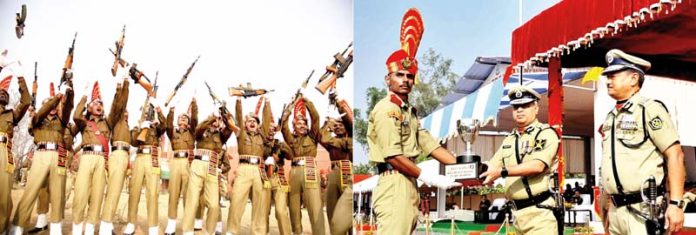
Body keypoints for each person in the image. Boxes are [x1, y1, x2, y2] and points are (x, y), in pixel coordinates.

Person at [367, 8, 459, 234]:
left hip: (408, 183)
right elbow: (393, 155)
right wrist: (427, 176)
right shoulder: (387, 109)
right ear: (388, 79)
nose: (406, 80)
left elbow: (431, 146)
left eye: (410, 76)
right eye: (400, 75)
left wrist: (469, 168)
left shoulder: (408, 112)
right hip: (394, 180)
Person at [598, 49, 685, 234]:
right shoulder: (610, 117)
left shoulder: (649, 110)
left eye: (613, 76)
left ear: (634, 78)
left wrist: (676, 204)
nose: (607, 81)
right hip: (615, 211)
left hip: (643, 210)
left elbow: (675, 155)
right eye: (607, 76)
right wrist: (605, 205)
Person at [479, 86, 561, 234]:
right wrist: (468, 171)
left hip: (540, 213)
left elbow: (537, 165)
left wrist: (502, 172)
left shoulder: (545, 133)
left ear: (536, 108)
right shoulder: (509, 140)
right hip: (517, 215)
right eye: (516, 106)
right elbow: (491, 166)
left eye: (525, 105)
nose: (520, 110)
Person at [11, 80, 72, 235]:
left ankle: (56, 227)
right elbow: (44, 110)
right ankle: (18, 225)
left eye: (54, 106)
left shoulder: (62, 121)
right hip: (41, 154)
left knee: (58, 194)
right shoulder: (37, 119)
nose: (52, 107)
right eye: (48, 105)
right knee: (31, 191)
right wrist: (56, 97)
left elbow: (68, 108)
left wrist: (69, 91)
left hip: (58, 156)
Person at [72, 80, 127, 234]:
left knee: (97, 197)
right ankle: (77, 229)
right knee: (80, 195)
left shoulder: (107, 122)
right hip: (87, 157)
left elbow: (116, 108)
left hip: (101, 159)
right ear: (89, 107)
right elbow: (76, 115)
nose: (99, 105)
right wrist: (84, 97)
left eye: (101, 103)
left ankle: (89, 229)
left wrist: (119, 88)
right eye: (95, 103)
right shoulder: (84, 122)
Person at [182, 110, 235, 234]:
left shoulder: (221, 135)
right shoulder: (202, 132)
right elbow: (199, 128)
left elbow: (231, 127)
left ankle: (211, 231)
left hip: (212, 166)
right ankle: (187, 231)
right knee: (192, 200)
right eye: (214, 120)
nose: (216, 122)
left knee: (214, 205)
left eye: (218, 120)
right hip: (198, 164)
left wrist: (226, 117)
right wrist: (212, 117)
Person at [280, 95, 326, 235]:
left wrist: (305, 101)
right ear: (294, 126)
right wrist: (291, 105)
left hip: (309, 169)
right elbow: (283, 125)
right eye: (299, 123)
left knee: (314, 205)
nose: (303, 125)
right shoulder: (290, 138)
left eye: (304, 123)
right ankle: (297, 232)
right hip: (294, 172)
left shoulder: (312, 136)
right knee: (293, 206)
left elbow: (316, 118)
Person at [226, 96, 271, 235]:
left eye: (255, 121)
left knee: (260, 204)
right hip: (243, 169)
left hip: (259, 170)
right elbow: (238, 117)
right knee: (236, 201)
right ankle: (231, 231)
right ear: (246, 124)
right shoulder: (241, 134)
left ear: (258, 125)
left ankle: (258, 232)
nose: (252, 123)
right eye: (250, 121)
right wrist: (239, 101)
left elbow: (267, 119)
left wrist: (267, 104)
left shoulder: (262, 135)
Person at [123, 101, 167, 235]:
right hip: (140, 158)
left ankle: (153, 226)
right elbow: (134, 142)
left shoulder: (156, 127)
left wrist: (159, 111)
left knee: (153, 193)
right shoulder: (137, 127)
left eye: (150, 112)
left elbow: (164, 126)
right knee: (134, 191)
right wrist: (143, 127)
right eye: (146, 111)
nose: (148, 113)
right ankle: (131, 223)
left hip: (153, 158)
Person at [0, 52, 31, 233]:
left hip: (5, 151)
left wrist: (20, 76)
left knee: (4, 195)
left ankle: (2, 228)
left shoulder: (12, 114)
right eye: (0, 91)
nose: (3, 93)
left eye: (5, 92)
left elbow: (26, 101)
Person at [99, 78, 131, 235]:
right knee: (113, 190)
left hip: (125, 156)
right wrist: (124, 84)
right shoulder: (116, 120)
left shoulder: (127, 125)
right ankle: (105, 224)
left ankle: (108, 222)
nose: (126, 112)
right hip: (118, 154)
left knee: (116, 190)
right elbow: (119, 104)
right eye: (124, 111)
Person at [162, 98, 198, 235]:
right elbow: (168, 125)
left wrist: (194, 104)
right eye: (180, 118)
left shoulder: (192, 132)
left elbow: (195, 119)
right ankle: (171, 225)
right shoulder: (173, 133)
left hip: (189, 162)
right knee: (173, 194)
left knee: (188, 195)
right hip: (176, 162)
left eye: (185, 118)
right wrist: (171, 111)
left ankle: (188, 227)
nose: (183, 120)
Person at [319, 95, 353, 235]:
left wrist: (339, 104)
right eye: (336, 126)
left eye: (341, 125)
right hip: (333, 173)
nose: (338, 127)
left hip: (348, 171)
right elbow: (321, 136)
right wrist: (328, 123)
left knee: (348, 211)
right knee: (332, 207)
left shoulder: (350, 137)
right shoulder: (332, 142)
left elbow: (350, 122)